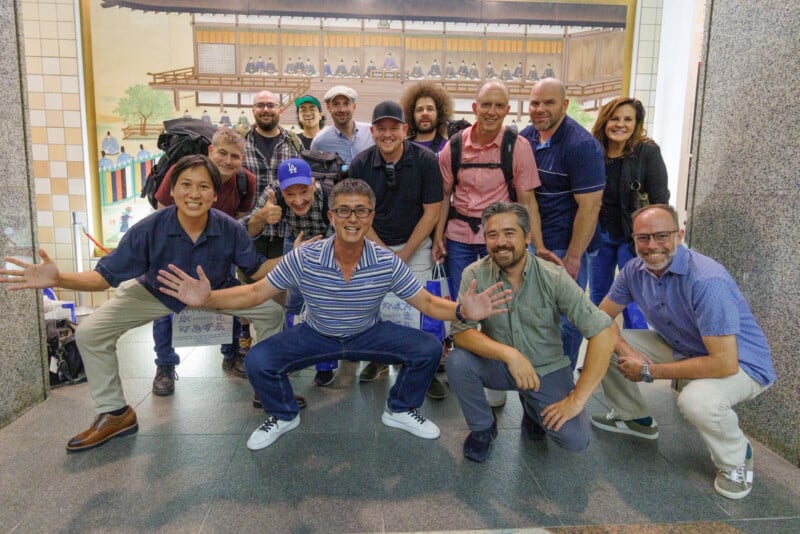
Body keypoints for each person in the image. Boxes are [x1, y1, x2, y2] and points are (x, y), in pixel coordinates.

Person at [156, 178, 511, 451]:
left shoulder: (385, 261)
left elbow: (428, 304)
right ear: (331, 216)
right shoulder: (306, 257)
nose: (352, 219)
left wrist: (462, 309)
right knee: (258, 360)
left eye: (361, 211)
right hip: (317, 334)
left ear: (371, 217)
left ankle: (400, 409)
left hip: (367, 334)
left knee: (428, 349)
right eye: (343, 210)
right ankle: (284, 414)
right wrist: (208, 298)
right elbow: (254, 292)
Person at [0, 155, 284, 453]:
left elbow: (256, 270)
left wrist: (295, 257)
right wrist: (60, 278)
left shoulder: (230, 228)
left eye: (203, 186)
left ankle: (267, 389)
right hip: (155, 292)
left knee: (271, 313)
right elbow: (103, 277)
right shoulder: (149, 229)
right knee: (91, 331)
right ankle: (115, 414)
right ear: (171, 191)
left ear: (215, 195)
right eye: (186, 184)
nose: (194, 193)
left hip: (215, 292)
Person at [590, 204, 776, 500]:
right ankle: (634, 418)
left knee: (696, 401)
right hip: (684, 347)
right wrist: (626, 350)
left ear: (679, 235)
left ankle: (737, 459)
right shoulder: (633, 271)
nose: (652, 245)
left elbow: (724, 363)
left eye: (661, 236)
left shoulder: (707, 280)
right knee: (603, 342)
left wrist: (648, 371)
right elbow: (601, 317)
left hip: (741, 363)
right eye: (643, 238)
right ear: (633, 240)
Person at [447, 201, 615, 462]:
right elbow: (461, 333)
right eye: (492, 235)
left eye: (509, 233)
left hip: (546, 368)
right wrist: (510, 355)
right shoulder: (475, 274)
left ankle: (533, 410)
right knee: (457, 361)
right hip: (499, 365)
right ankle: (483, 428)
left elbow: (603, 332)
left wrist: (577, 399)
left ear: (527, 237)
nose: (500, 242)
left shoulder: (553, 276)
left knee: (575, 439)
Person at [435, 81, 558, 408]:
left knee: (502, 309)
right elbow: (444, 196)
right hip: (460, 238)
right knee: (464, 309)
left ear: (508, 110)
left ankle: (497, 378)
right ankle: (467, 374)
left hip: (500, 242)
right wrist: (438, 237)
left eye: (499, 106)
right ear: (475, 108)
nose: (491, 112)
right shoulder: (454, 147)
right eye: (486, 105)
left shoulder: (517, 147)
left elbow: (527, 201)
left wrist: (537, 246)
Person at [350, 101, 445, 397]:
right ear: (372, 131)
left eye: (394, 128)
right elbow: (359, 214)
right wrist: (383, 253)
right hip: (373, 245)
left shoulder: (426, 160)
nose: (388, 134)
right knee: (375, 307)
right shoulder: (361, 164)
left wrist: (404, 254)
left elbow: (432, 211)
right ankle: (379, 359)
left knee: (422, 310)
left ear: (405, 130)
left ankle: (423, 367)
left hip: (415, 245)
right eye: (381, 128)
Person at [151, 129, 257, 391]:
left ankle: (231, 354)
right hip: (176, 248)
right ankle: (165, 365)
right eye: (222, 153)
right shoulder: (182, 171)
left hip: (219, 252)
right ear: (211, 151)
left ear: (242, 159)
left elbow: (238, 220)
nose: (227, 161)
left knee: (229, 299)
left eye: (234, 156)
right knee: (164, 306)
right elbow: (161, 213)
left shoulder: (246, 181)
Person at [520, 78, 605, 370]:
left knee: (568, 317)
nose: (540, 109)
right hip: (537, 242)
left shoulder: (582, 146)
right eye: (535, 103)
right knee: (537, 314)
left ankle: (564, 378)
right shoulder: (527, 138)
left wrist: (574, 257)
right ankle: (539, 372)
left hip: (568, 245)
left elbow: (590, 207)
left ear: (565, 105)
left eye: (549, 102)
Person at [589, 97, 669, 330]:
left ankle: (635, 349)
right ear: (604, 121)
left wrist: (656, 239)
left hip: (633, 238)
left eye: (628, 119)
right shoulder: (593, 150)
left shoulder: (647, 152)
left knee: (634, 299)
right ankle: (603, 344)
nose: (620, 124)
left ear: (636, 123)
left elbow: (660, 200)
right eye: (614, 118)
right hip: (599, 236)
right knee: (599, 297)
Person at [310, 85, 374, 165]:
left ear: (354, 106)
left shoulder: (371, 133)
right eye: (336, 104)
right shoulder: (320, 142)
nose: (342, 109)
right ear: (328, 107)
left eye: (346, 104)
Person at [400, 81, 453, 154]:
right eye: (419, 110)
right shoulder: (402, 148)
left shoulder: (448, 148)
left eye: (430, 109)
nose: (425, 113)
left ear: (439, 114)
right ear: (412, 115)